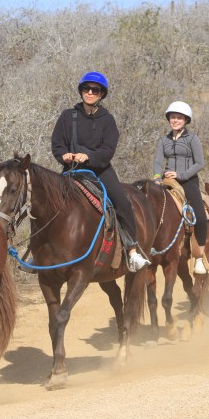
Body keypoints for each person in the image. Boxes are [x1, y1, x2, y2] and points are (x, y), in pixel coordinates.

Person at [50, 71, 151, 272]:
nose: (90, 92)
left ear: (101, 94)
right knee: (50, 201)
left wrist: (88, 156)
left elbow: (108, 150)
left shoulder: (108, 120)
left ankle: (131, 250)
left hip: (100, 169)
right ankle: (44, 252)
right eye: (86, 89)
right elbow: (57, 143)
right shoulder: (67, 116)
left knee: (122, 200)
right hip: (72, 170)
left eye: (95, 90)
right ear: (81, 91)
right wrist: (64, 156)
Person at [152, 101, 209, 274]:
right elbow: (157, 162)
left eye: (179, 117)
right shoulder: (164, 140)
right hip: (166, 180)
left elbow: (200, 162)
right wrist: (156, 178)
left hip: (188, 180)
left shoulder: (193, 139)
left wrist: (181, 175)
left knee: (200, 216)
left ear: (186, 120)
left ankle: (199, 257)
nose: (175, 120)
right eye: (172, 117)